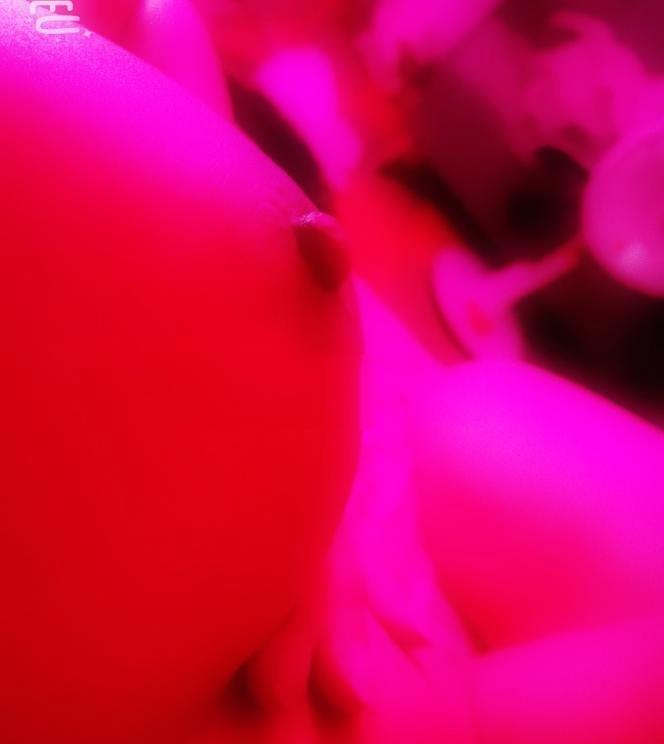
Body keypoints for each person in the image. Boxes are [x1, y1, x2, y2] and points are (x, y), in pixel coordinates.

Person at [1, 2, 663, 742]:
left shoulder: (143, 25)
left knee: (493, 414)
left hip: (337, 483)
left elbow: (155, 43)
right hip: (238, 592)